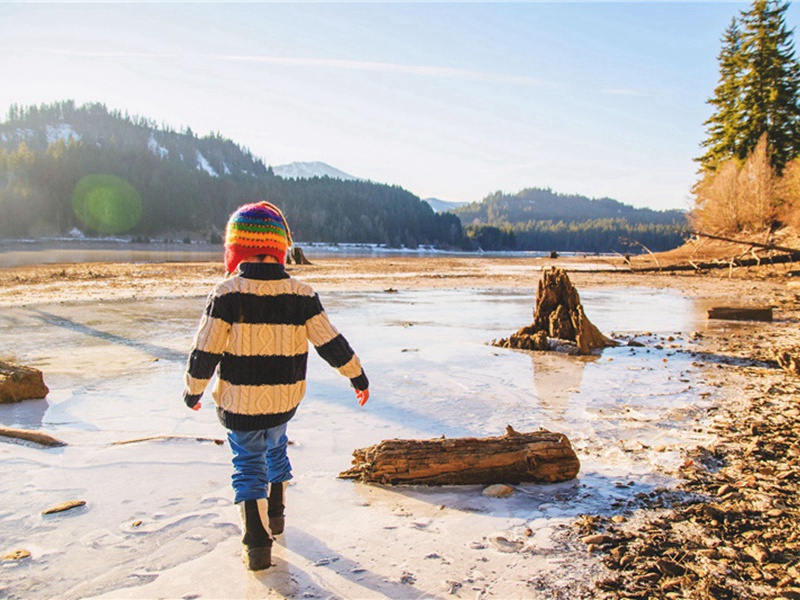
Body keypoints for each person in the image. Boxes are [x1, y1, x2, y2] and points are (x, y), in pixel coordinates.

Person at [182, 201, 369, 571]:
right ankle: (278, 517)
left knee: (248, 463)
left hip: (240, 402)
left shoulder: (226, 293)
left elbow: (205, 349)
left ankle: (256, 541)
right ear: (280, 249)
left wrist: (193, 390)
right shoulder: (301, 294)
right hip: (283, 399)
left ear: (236, 250)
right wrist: (356, 376)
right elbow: (330, 341)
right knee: (277, 446)